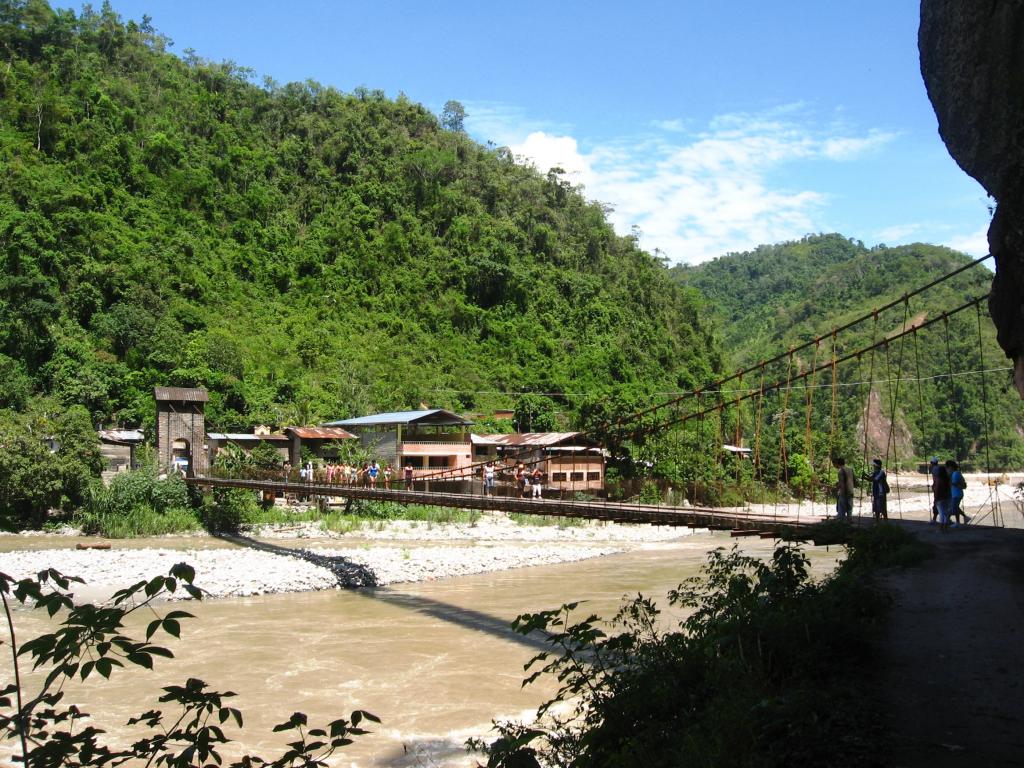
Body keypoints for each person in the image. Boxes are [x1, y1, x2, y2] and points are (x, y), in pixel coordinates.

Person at [931, 457, 952, 532]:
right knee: (945, 513)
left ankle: (941, 528)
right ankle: (945, 528)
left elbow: (936, 488)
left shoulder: (938, 479)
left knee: (941, 513)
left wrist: (936, 497)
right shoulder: (947, 478)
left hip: (940, 497)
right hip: (947, 497)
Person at [946, 459, 969, 527]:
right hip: (956, 493)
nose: (947, 469)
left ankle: (950, 520)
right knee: (956, 508)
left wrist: (949, 481)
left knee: (953, 508)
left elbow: (954, 483)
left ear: (950, 467)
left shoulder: (955, 474)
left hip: (956, 494)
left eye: (947, 467)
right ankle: (964, 518)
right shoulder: (957, 473)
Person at [832, 456, 855, 521]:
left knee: (841, 508)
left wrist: (839, 489)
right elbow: (854, 480)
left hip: (844, 492)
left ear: (837, 464)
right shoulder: (850, 469)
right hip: (851, 491)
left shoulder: (841, 471)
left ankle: (841, 522)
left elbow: (842, 483)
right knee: (849, 508)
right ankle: (849, 520)